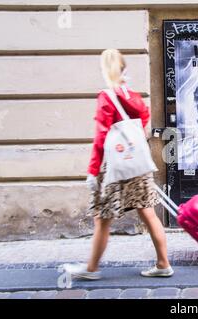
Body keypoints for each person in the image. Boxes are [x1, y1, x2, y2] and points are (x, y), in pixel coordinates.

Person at [63, 49, 173, 280]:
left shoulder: (107, 96)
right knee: (148, 213)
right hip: (138, 165)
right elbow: (143, 120)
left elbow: (101, 137)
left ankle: (92, 268)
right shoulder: (133, 96)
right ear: (124, 69)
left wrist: (93, 171)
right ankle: (163, 263)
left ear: (105, 70)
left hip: (114, 167)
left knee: (102, 218)